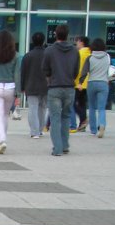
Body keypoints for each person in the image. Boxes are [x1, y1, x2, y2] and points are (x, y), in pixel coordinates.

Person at [42, 23, 80, 156]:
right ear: (67, 35)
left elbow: (45, 69)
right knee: (66, 117)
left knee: (55, 117)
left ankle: (57, 148)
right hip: (70, 87)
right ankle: (65, 145)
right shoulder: (75, 51)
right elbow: (76, 71)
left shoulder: (49, 50)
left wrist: (50, 78)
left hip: (54, 87)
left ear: (56, 34)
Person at [79, 38, 111, 137]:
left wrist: (80, 82)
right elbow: (111, 70)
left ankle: (93, 130)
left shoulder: (90, 57)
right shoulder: (108, 57)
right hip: (103, 83)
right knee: (101, 108)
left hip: (92, 83)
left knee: (92, 107)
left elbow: (84, 72)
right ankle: (102, 125)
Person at [19, 31, 48, 138]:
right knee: (43, 108)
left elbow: (23, 72)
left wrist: (22, 87)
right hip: (46, 86)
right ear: (43, 41)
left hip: (31, 85)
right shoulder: (48, 54)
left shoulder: (27, 56)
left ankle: (34, 132)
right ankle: (40, 129)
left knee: (33, 108)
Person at [72, 36, 91, 131]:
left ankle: (83, 119)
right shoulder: (90, 52)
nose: (76, 44)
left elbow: (78, 68)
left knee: (73, 103)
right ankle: (82, 124)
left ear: (81, 42)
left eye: (77, 41)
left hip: (79, 82)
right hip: (88, 82)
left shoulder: (80, 53)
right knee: (82, 104)